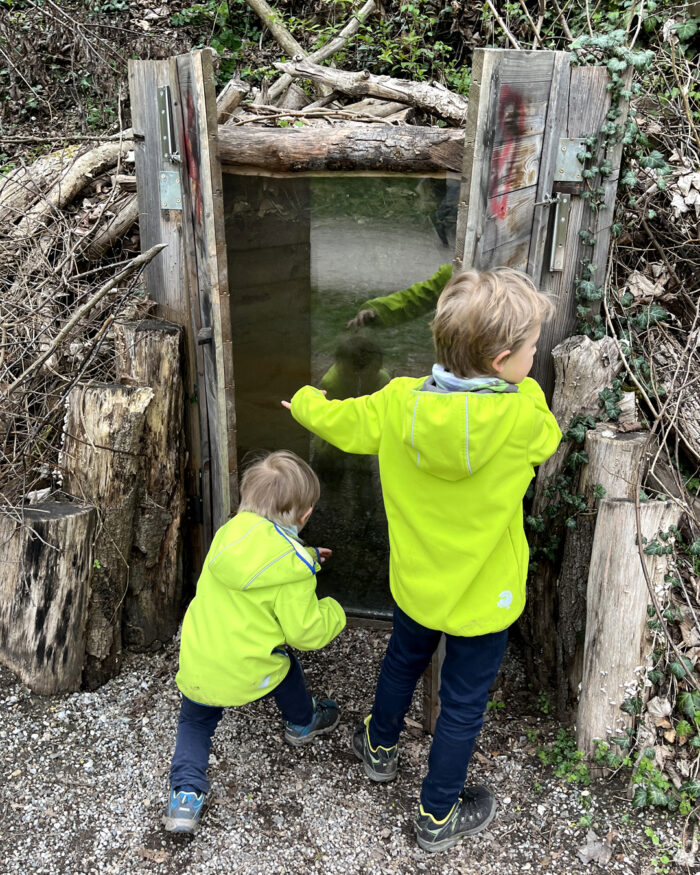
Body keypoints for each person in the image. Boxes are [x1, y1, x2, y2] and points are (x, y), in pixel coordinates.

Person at [282, 267, 561, 853]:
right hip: (485, 597)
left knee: (401, 663)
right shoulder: (521, 417)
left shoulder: (396, 403)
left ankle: (379, 748)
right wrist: (527, 388)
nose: (535, 361)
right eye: (532, 351)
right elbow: (548, 437)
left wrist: (304, 400)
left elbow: (337, 420)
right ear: (503, 359)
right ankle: (436, 815)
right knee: (462, 704)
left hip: (415, 584)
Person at [164, 450, 346, 835]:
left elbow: (261, 555)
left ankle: (184, 797)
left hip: (200, 661)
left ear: (247, 499)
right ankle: (303, 722)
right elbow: (305, 633)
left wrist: (307, 556)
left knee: (194, 724)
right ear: (305, 516)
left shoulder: (227, 536)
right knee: (287, 665)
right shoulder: (293, 574)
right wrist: (334, 610)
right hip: (250, 670)